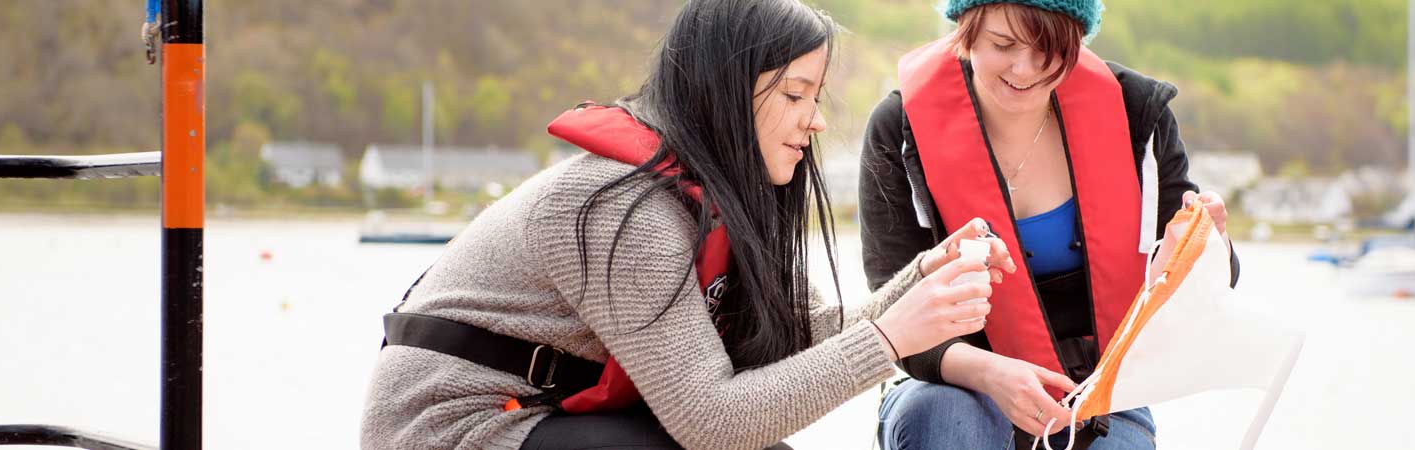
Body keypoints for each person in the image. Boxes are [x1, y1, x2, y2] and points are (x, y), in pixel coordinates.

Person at [362, 1, 1017, 449]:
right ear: (728, 90)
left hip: (543, 419)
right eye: (795, 95)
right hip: (456, 429)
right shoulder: (623, 207)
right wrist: (891, 337)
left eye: (815, 98)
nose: (815, 121)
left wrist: (922, 278)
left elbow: (800, 335)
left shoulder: (726, 200)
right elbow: (710, 419)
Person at [860, 1, 1241, 449]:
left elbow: (1209, 285)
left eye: (1048, 50)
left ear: (1077, 41)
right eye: (1003, 45)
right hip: (950, 382)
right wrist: (990, 374)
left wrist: (1210, 244)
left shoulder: (1139, 116)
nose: (1024, 69)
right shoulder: (898, 128)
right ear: (966, 29)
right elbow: (891, 308)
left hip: (1098, 394)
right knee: (946, 420)